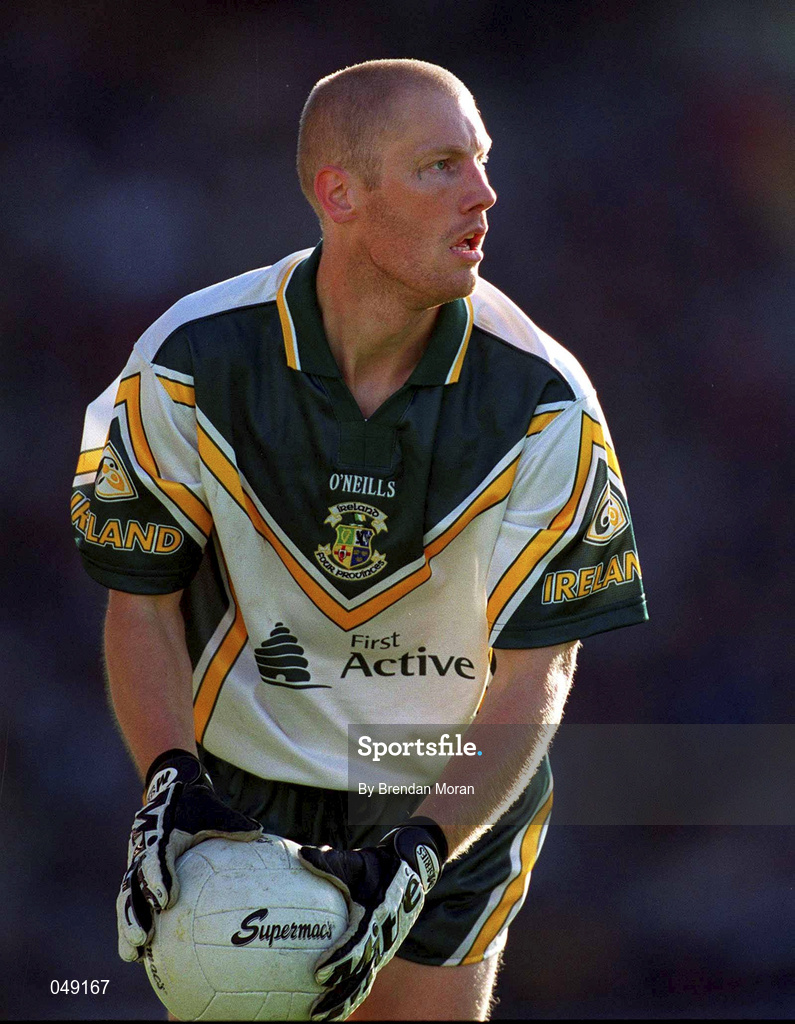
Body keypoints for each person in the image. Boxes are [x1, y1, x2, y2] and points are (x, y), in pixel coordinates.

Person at [71, 59, 648, 1021]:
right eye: (439, 166)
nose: (484, 192)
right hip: (237, 796)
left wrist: (424, 842)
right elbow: (142, 601)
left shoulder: (547, 401)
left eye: (482, 160)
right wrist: (169, 780)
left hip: (451, 788)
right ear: (339, 193)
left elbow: (536, 675)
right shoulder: (184, 360)